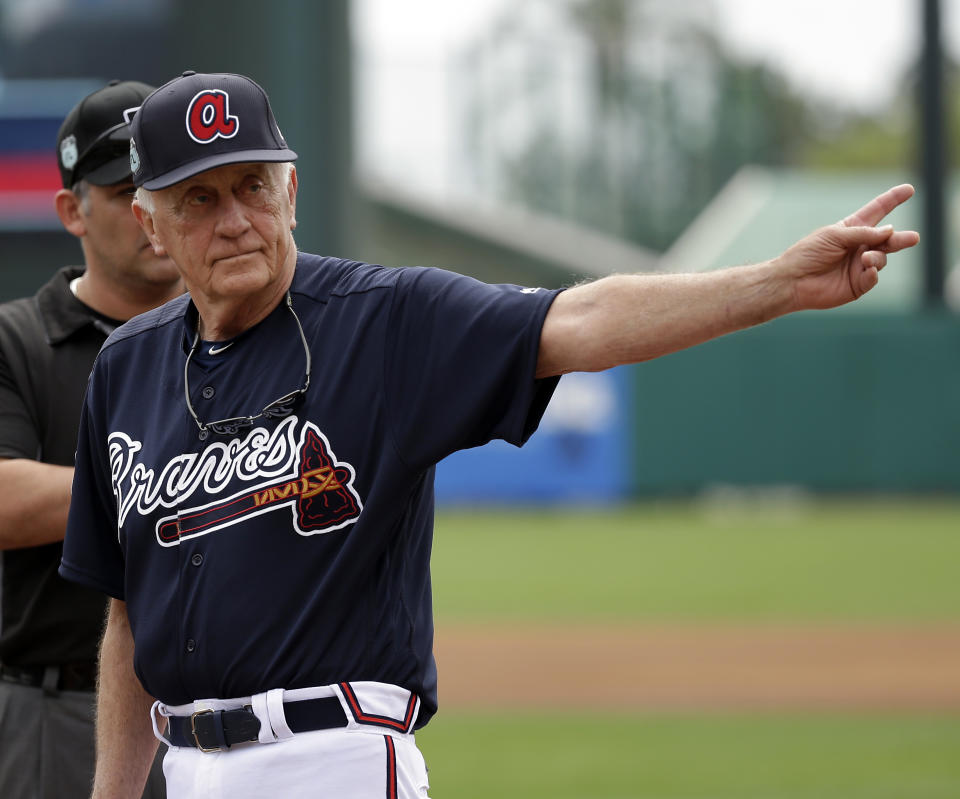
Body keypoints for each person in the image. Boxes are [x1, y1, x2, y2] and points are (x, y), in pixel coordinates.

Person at [59, 71, 919, 799]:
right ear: (151, 221)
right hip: (183, 768)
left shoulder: (384, 321)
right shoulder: (127, 371)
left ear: (292, 189)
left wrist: (777, 283)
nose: (236, 218)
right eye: (199, 199)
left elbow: (577, 320)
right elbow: (130, 612)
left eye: (253, 185)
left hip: (334, 758)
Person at [0, 80, 184, 799]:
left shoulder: (243, 336)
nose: (152, 211)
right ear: (72, 210)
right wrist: (189, 478)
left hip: (220, 714)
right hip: (58, 707)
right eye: (125, 190)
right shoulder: (18, 338)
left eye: (171, 186)